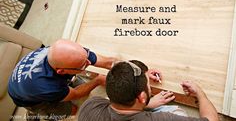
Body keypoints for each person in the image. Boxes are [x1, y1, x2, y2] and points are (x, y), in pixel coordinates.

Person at [8, 39, 117, 120]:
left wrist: (121, 66)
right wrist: (97, 80)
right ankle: (37, 114)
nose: (89, 63)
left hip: (30, 81)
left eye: (86, 58)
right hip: (26, 97)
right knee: (72, 110)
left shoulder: (69, 51)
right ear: (61, 71)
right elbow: (76, 94)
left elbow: (108, 62)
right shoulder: (47, 87)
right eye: (83, 65)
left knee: (79, 87)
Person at [78, 60, 219, 121]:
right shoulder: (163, 119)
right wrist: (200, 93)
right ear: (142, 97)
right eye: (148, 85)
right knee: (177, 111)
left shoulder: (89, 106)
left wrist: (147, 102)